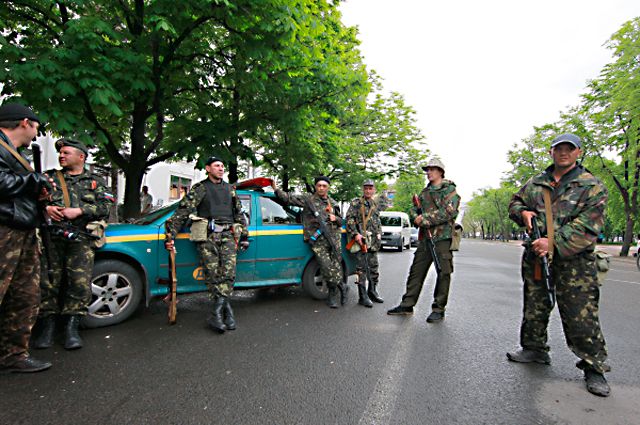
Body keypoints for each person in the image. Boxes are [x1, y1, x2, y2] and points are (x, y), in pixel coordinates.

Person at [506, 133, 611, 397]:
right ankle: (535, 348)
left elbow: (589, 225)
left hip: (575, 262)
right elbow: (515, 202)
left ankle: (593, 367)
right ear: (551, 152)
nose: (563, 152)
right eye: (558, 148)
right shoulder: (536, 183)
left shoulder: (591, 186)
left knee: (580, 314)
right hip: (536, 259)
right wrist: (523, 213)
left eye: (569, 148)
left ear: (578, 152)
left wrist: (552, 243)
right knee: (535, 304)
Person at [31, 138, 114, 350]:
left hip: (80, 238)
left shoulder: (96, 181)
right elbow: (31, 200)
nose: (61, 156)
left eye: (66, 152)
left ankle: (71, 328)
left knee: (79, 283)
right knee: (48, 281)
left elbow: (106, 207)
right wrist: (46, 209)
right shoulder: (49, 177)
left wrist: (80, 211)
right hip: (51, 237)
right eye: (60, 152)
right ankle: (46, 327)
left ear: (81, 157)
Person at [164, 157, 248, 333]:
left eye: (222, 166)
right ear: (208, 169)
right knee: (212, 275)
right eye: (217, 166)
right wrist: (170, 233)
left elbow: (239, 213)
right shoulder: (200, 188)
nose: (221, 168)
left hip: (228, 235)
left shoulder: (229, 189)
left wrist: (244, 236)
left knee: (229, 274)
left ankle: (217, 312)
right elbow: (184, 210)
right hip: (208, 236)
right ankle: (226, 312)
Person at [0, 103, 53, 373]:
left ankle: (13, 354)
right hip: (5, 229)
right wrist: (33, 181)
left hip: (23, 228)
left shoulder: (16, 154)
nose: (36, 133)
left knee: (25, 295)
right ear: (24, 123)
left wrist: (39, 192)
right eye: (36, 127)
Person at [387, 157, 460, 323]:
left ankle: (438, 309)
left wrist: (424, 219)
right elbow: (414, 210)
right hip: (425, 239)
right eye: (427, 170)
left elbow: (449, 212)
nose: (428, 172)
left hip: (442, 238)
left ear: (440, 171)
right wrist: (416, 218)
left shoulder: (450, 191)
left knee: (444, 273)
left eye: (432, 169)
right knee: (416, 272)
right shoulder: (425, 193)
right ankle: (407, 305)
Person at [272, 176, 346, 308]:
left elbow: (341, 221)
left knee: (336, 266)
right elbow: (288, 198)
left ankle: (338, 290)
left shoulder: (333, 203)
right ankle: (336, 291)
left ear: (328, 188)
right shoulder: (308, 200)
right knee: (326, 267)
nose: (321, 188)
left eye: (324, 186)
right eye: (319, 185)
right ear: (316, 187)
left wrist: (336, 219)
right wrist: (275, 188)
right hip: (318, 240)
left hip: (334, 239)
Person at [345, 179, 387, 307]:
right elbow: (349, 219)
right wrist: (355, 234)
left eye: (371, 188)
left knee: (374, 269)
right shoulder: (356, 203)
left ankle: (372, 292)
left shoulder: (375, 203)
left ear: (374, 189)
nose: (368, 190)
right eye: (366, 188)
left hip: (373, 242)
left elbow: (376, 220)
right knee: (362, 270)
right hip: (362, 241)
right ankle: (362, 297)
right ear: (363, 189)